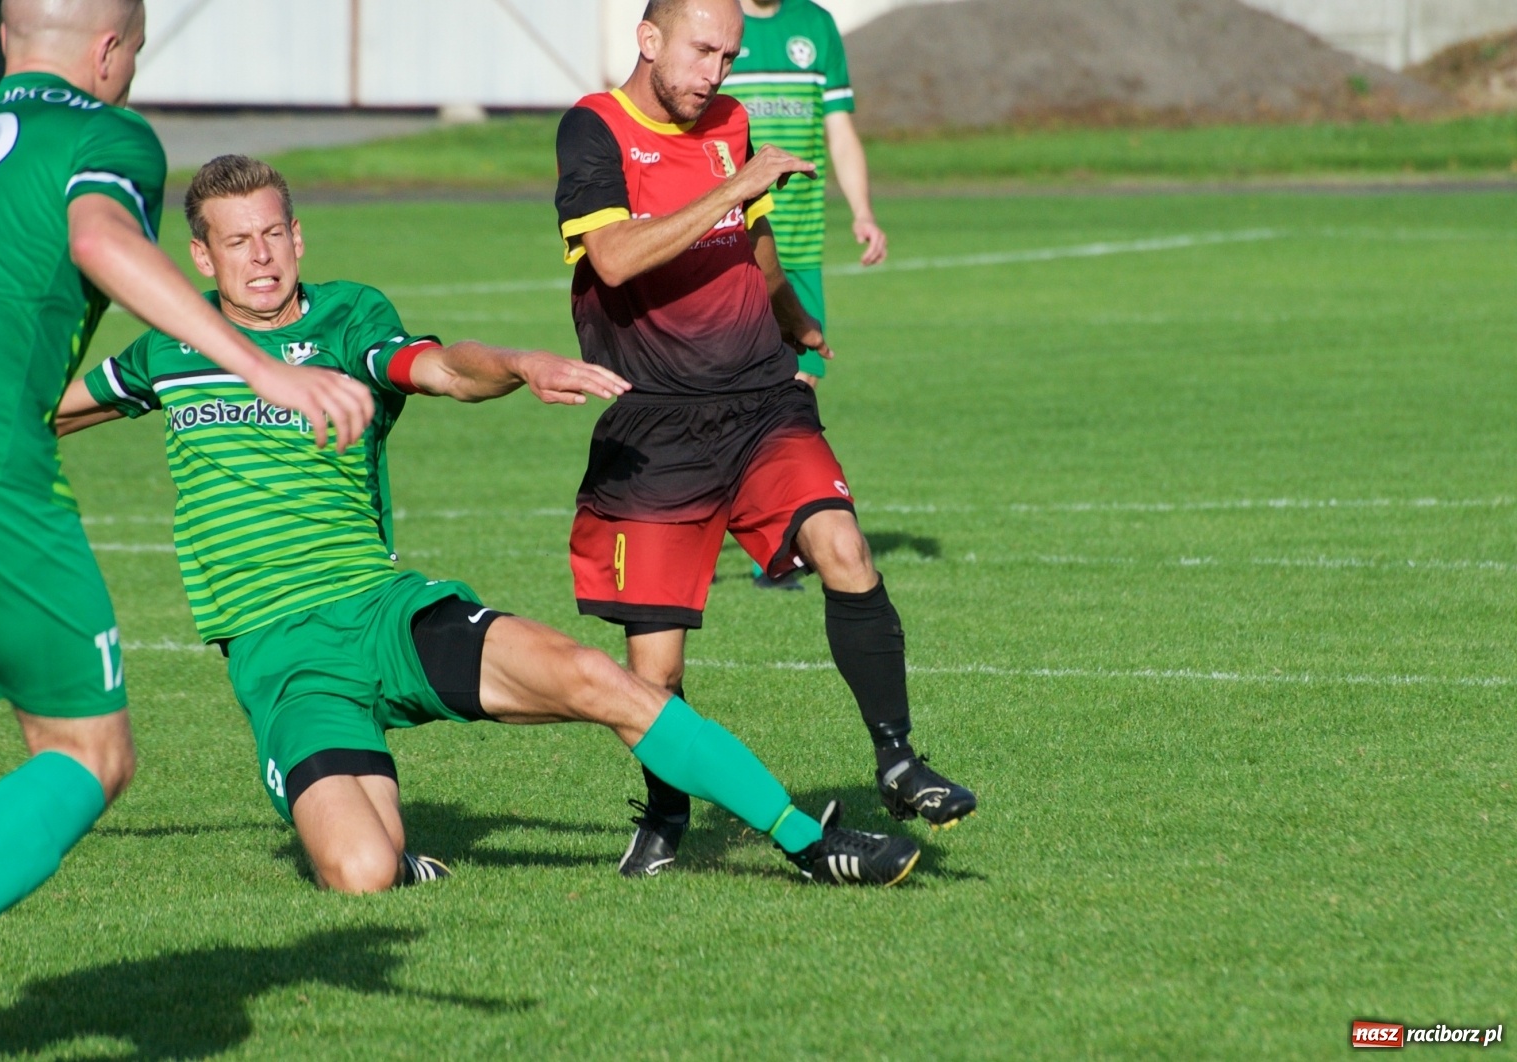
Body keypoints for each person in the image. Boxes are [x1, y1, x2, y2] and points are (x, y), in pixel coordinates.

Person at [56, 154, 923, 903]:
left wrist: (517, 364)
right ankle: (399, 856)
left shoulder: (345, 317)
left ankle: (811, 843)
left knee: (596, 677)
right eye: (237, 242)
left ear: (299, 236)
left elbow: (435, 368)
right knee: (360, 870)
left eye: (274, 234)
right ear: (201, 255)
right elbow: (40, 415)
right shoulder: (168, 349)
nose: (262, 257)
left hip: (382, 610)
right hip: (279, 654)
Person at [0, 4, 374, 1059]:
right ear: (113, 50)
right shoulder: (104, 134)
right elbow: (98, 237)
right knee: (87, 750)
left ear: (3, 38)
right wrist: (260, 363)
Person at [554, 0, 975, 880]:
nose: (716, 72)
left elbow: (753, 235)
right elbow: (616, 261)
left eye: (729, 55)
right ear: (649, 40)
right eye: (703, 50)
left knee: (845, 547)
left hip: (760, 401)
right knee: (655, 679)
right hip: (656, 425)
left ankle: (896, 760)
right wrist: (730, 186)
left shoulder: (730, 122)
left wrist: (791, 314)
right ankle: (667, 813)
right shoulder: (593, 130)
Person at [727, 0, 887, 590]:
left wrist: (863, 212)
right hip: (735, 240)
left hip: (802, 244)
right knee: (738, 390)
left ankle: (768, 546)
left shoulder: (815, 26)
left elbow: (839, 130)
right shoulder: (718, 23)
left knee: (798, 387)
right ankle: (724, 523)